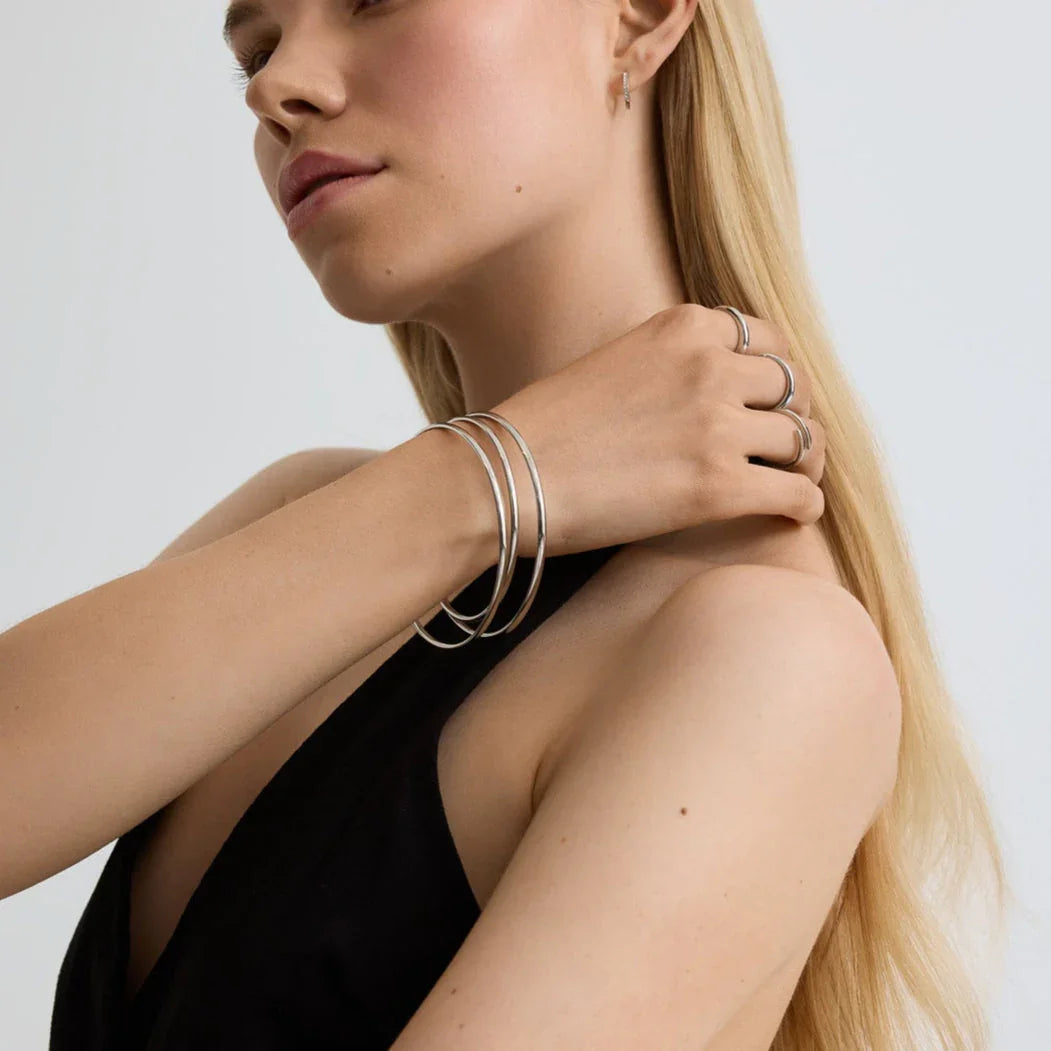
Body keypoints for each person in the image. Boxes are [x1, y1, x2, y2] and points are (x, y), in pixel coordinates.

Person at [0, 1, 1007, 1048]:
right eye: (254, 49)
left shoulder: (760, 654)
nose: (272, 86)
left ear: (643, 16)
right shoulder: (309, 515)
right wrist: (494, 478)